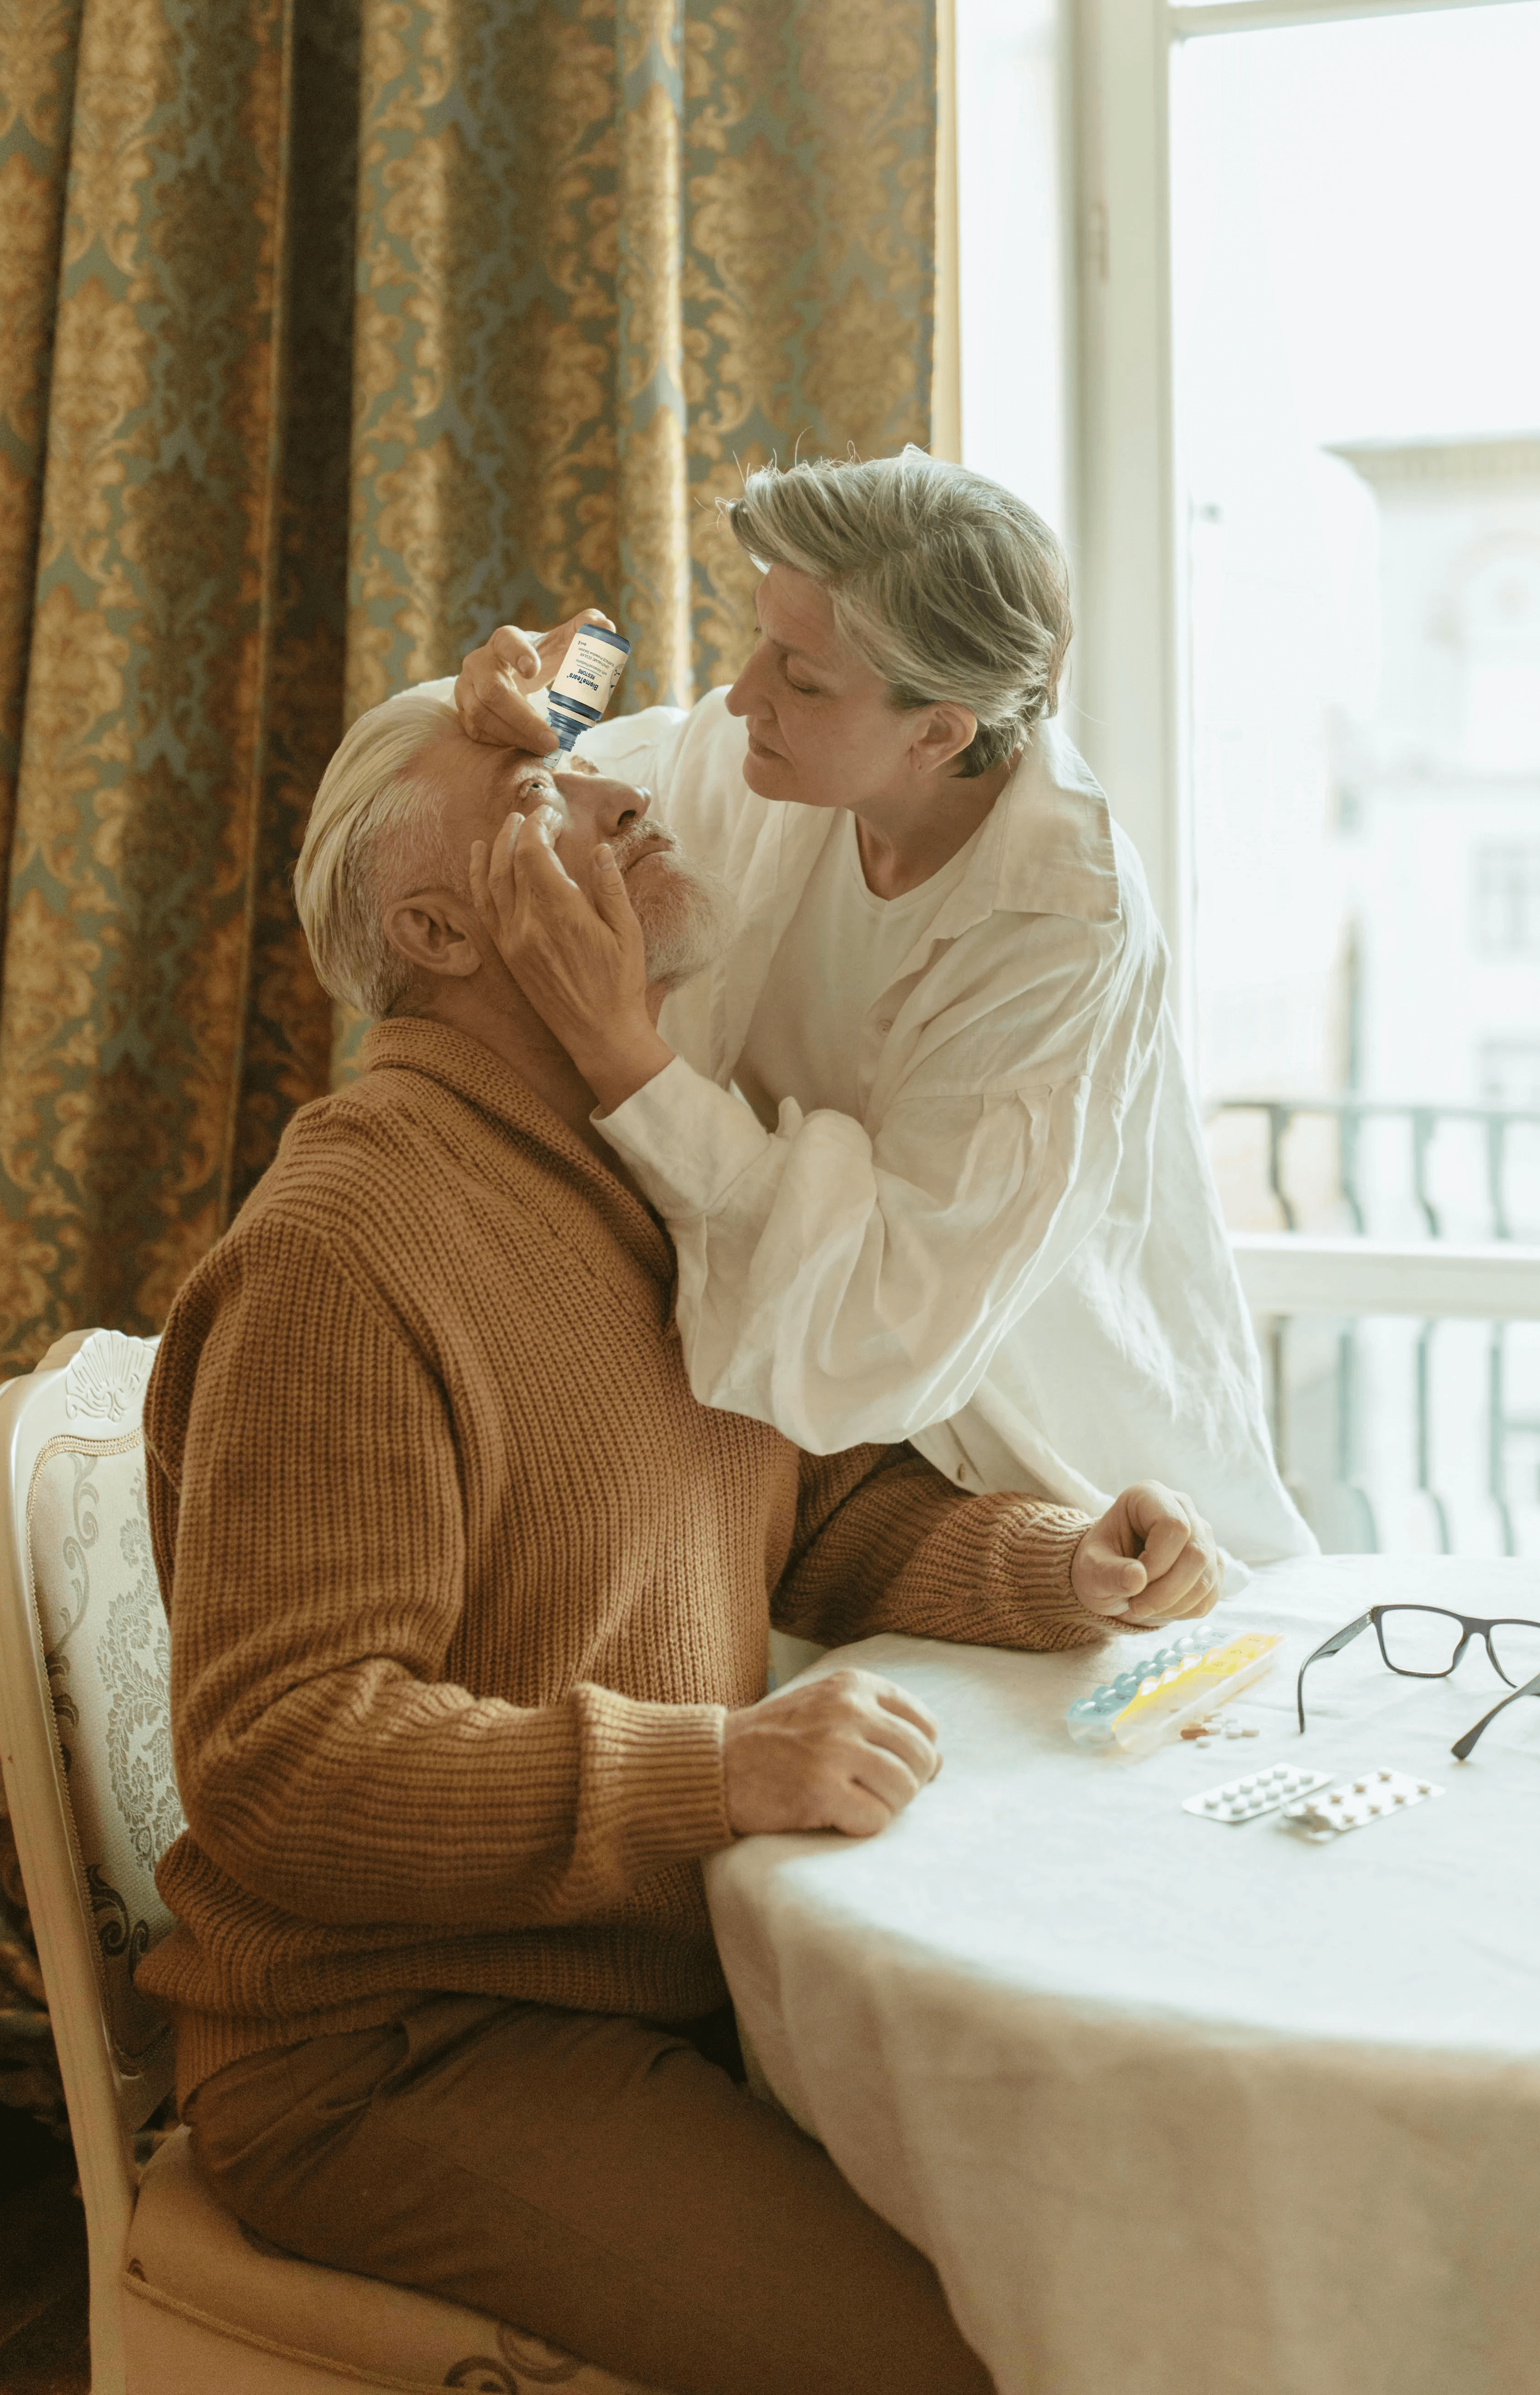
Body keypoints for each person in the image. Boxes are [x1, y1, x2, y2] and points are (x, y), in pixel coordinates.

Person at [139, 685, 1224, 2395]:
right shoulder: (345, 1246)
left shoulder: (642, 1172)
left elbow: (810, 1507)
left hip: (669, 1982)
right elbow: (281, 1761)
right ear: (433, 927)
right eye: (538, 792)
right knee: (955, 2362)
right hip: (401, 2051)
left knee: (1117, 2237)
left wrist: (1056, 1565)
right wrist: (718, 1769)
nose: (623, 795)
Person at [448, 448, 1317, 1571]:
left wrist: (627, 1059)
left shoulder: (1057, 933)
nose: (746, 693)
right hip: (807, 1484)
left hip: (1058, 1487)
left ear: (938, 734)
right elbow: (562, 784)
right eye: (762, 638)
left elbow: (876, 1325)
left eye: (801, 679)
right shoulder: (767, 762)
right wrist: (512, 694)